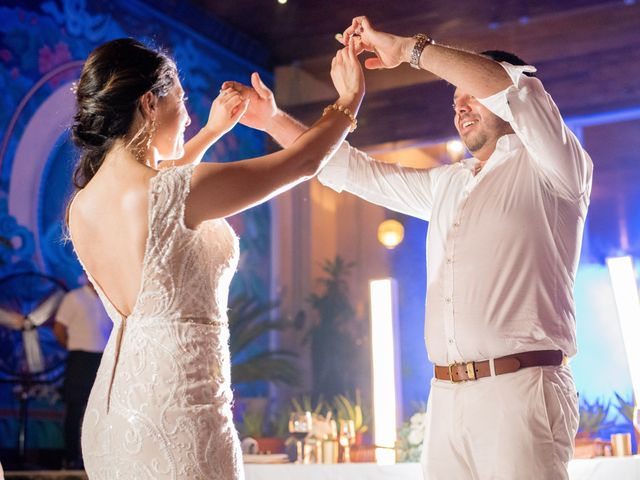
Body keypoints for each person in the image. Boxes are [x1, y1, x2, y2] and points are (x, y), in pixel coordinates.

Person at [225, 16, 593, 480]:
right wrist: (272, 119)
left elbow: (512, 88)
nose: (459, 109)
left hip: (522, 391)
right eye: (454, 102)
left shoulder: (557, 166)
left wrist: (407, 51)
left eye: (469, 96)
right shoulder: (448, 183)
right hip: (447, 397)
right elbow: (353, 172)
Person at [66, 38, 364, 479]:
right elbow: (302, 162)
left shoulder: (82, 206)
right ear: (149, 103)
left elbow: (163, 191)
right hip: (178, 412)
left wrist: (211, 132)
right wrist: (349, 101)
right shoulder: (174, 191)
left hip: (112, 415)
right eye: (182, 101)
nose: (188, 116)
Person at [53, 281, 112, 469]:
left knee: (105, 410)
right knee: (75, 409)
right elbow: (59, 329)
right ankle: (71, 458)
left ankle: (103, 460)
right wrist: (74, 348)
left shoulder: (109, 297)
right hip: (80, 359)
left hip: (104, 359)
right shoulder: (74, 297)